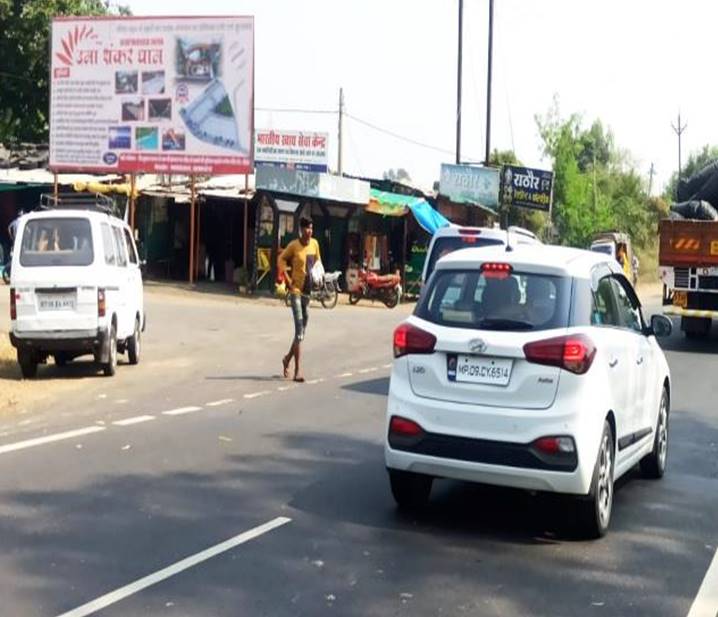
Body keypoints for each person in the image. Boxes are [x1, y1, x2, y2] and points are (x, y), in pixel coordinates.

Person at [277, 217, 322, 382]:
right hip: (295, 291)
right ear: (301, 230)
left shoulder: (315, 244)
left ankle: (287, 358)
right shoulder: (293, 246)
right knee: (299, 330)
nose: (309, 231)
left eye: (311, 228)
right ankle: (297, 371)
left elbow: (317, 263)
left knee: (301, 332)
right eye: (307, 229)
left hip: (307, 293)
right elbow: (280, 259)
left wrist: (319, 278)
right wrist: (287, 279)